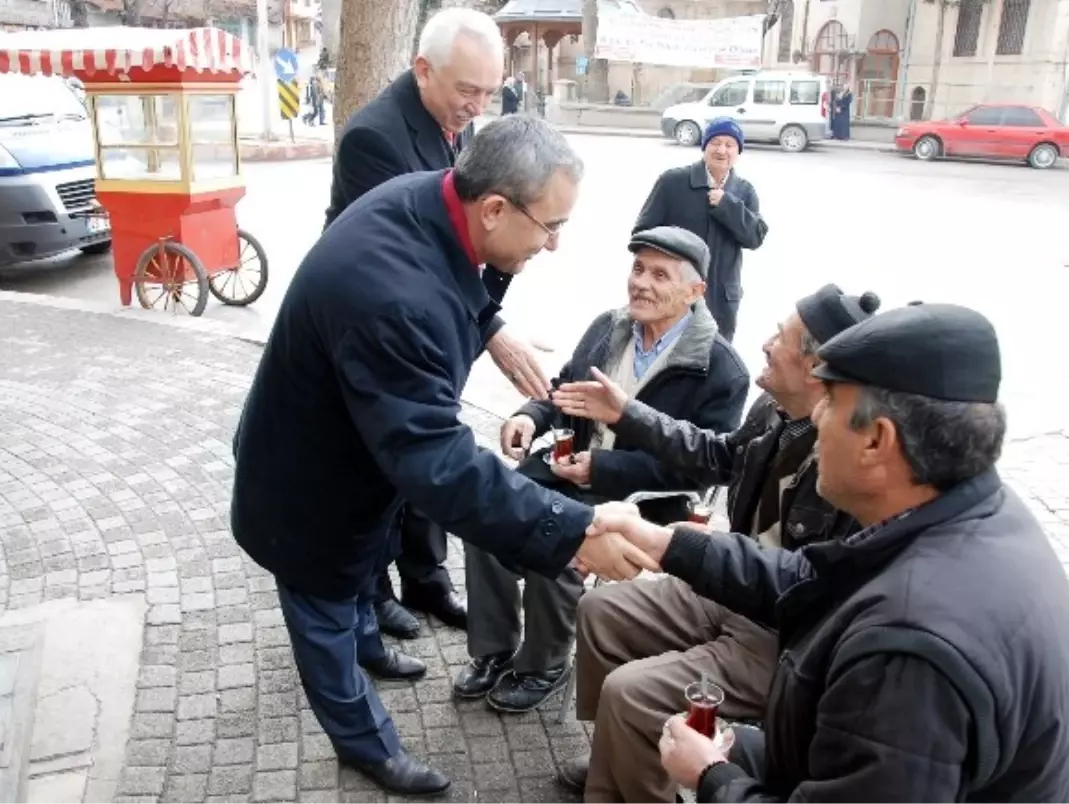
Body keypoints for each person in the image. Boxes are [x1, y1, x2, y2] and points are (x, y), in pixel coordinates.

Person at [232, 115, 657, 797]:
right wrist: (575, 532)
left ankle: (368, 643)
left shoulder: (430, 203)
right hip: (305, 488)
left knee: (353, 582)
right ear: (493, 207)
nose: (551, 246)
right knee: (322, 611)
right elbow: (439, 462)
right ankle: (365, 743)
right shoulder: (392, 294)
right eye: (550, 227)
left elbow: (459, 302)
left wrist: (490, 323)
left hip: (358, 459)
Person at [591, 302, 1069, 803]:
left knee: (660, 715)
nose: (814, 418)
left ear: (877, 441)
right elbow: (809, 576)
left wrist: (712, 778)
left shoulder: (907, 648)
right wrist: (666, 541)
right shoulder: (973, 513)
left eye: (830, 401)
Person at [549, 284, 880, 803]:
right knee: (599, 609)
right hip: (732, 583)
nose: (766, 344)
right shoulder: (773, 409)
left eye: (781, 337)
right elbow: (717, 453)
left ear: (818, 369)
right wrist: (627, 413)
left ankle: (632, 774)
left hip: (784, 630)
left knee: (630, 691)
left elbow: (811, 584)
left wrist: (690, 547)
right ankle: (618, 753)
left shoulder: (849, 458)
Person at [323, 8, 551, 641]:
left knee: (433, 439)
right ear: (423, 69)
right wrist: (494, 329)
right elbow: (425, 260)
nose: (475, 108)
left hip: (433, 325)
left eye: (488, 93)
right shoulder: (376, 139)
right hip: (378, 332)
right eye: (465, 91)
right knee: (387, 459)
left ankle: (426, 579)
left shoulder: (453, 127)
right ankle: (370, 596)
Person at [456, 226, 751, 715]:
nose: (641, 283)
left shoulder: (720, 369)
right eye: (638, 269)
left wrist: (604, 468)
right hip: (568, 468)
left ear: (695, 291)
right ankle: (493, 649)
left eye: (660, 274)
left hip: (640, 501)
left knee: (560, 542)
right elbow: (564, 388)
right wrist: (530, 415)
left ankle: (545, 664)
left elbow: (701, 471)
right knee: (489, 516)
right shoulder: (609, 327)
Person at [635, 117, 767, 341]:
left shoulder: (744, 192)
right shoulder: (673, 182)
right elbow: (642, 233)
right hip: (672, 293)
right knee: (664, 352)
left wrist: (726, 205)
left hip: (721, 299)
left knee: (713, 363)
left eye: (729, 145)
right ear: (704, 146)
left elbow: (754, 237)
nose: (722, 150)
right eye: (715, 142)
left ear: (738, 151)